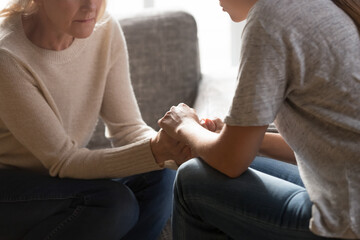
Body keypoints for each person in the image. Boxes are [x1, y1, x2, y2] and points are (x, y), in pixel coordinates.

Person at [158, 0, 360, 239]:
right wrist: (237, 138)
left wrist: (184, 125)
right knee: (211, 162)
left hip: (349, 222)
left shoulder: (270, 17)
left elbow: (230, 162)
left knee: (192, 179)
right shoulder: (317, 6)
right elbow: (327, 146)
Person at [0, 0, 191, 239]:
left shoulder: (103, 27)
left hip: (60, 179)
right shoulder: (7, 56)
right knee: (115, 204)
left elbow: (129, 128)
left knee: (161, 171)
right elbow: (64, 160)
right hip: (10, 188)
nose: (91, 5)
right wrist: (157, 150)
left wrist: (176, 145)